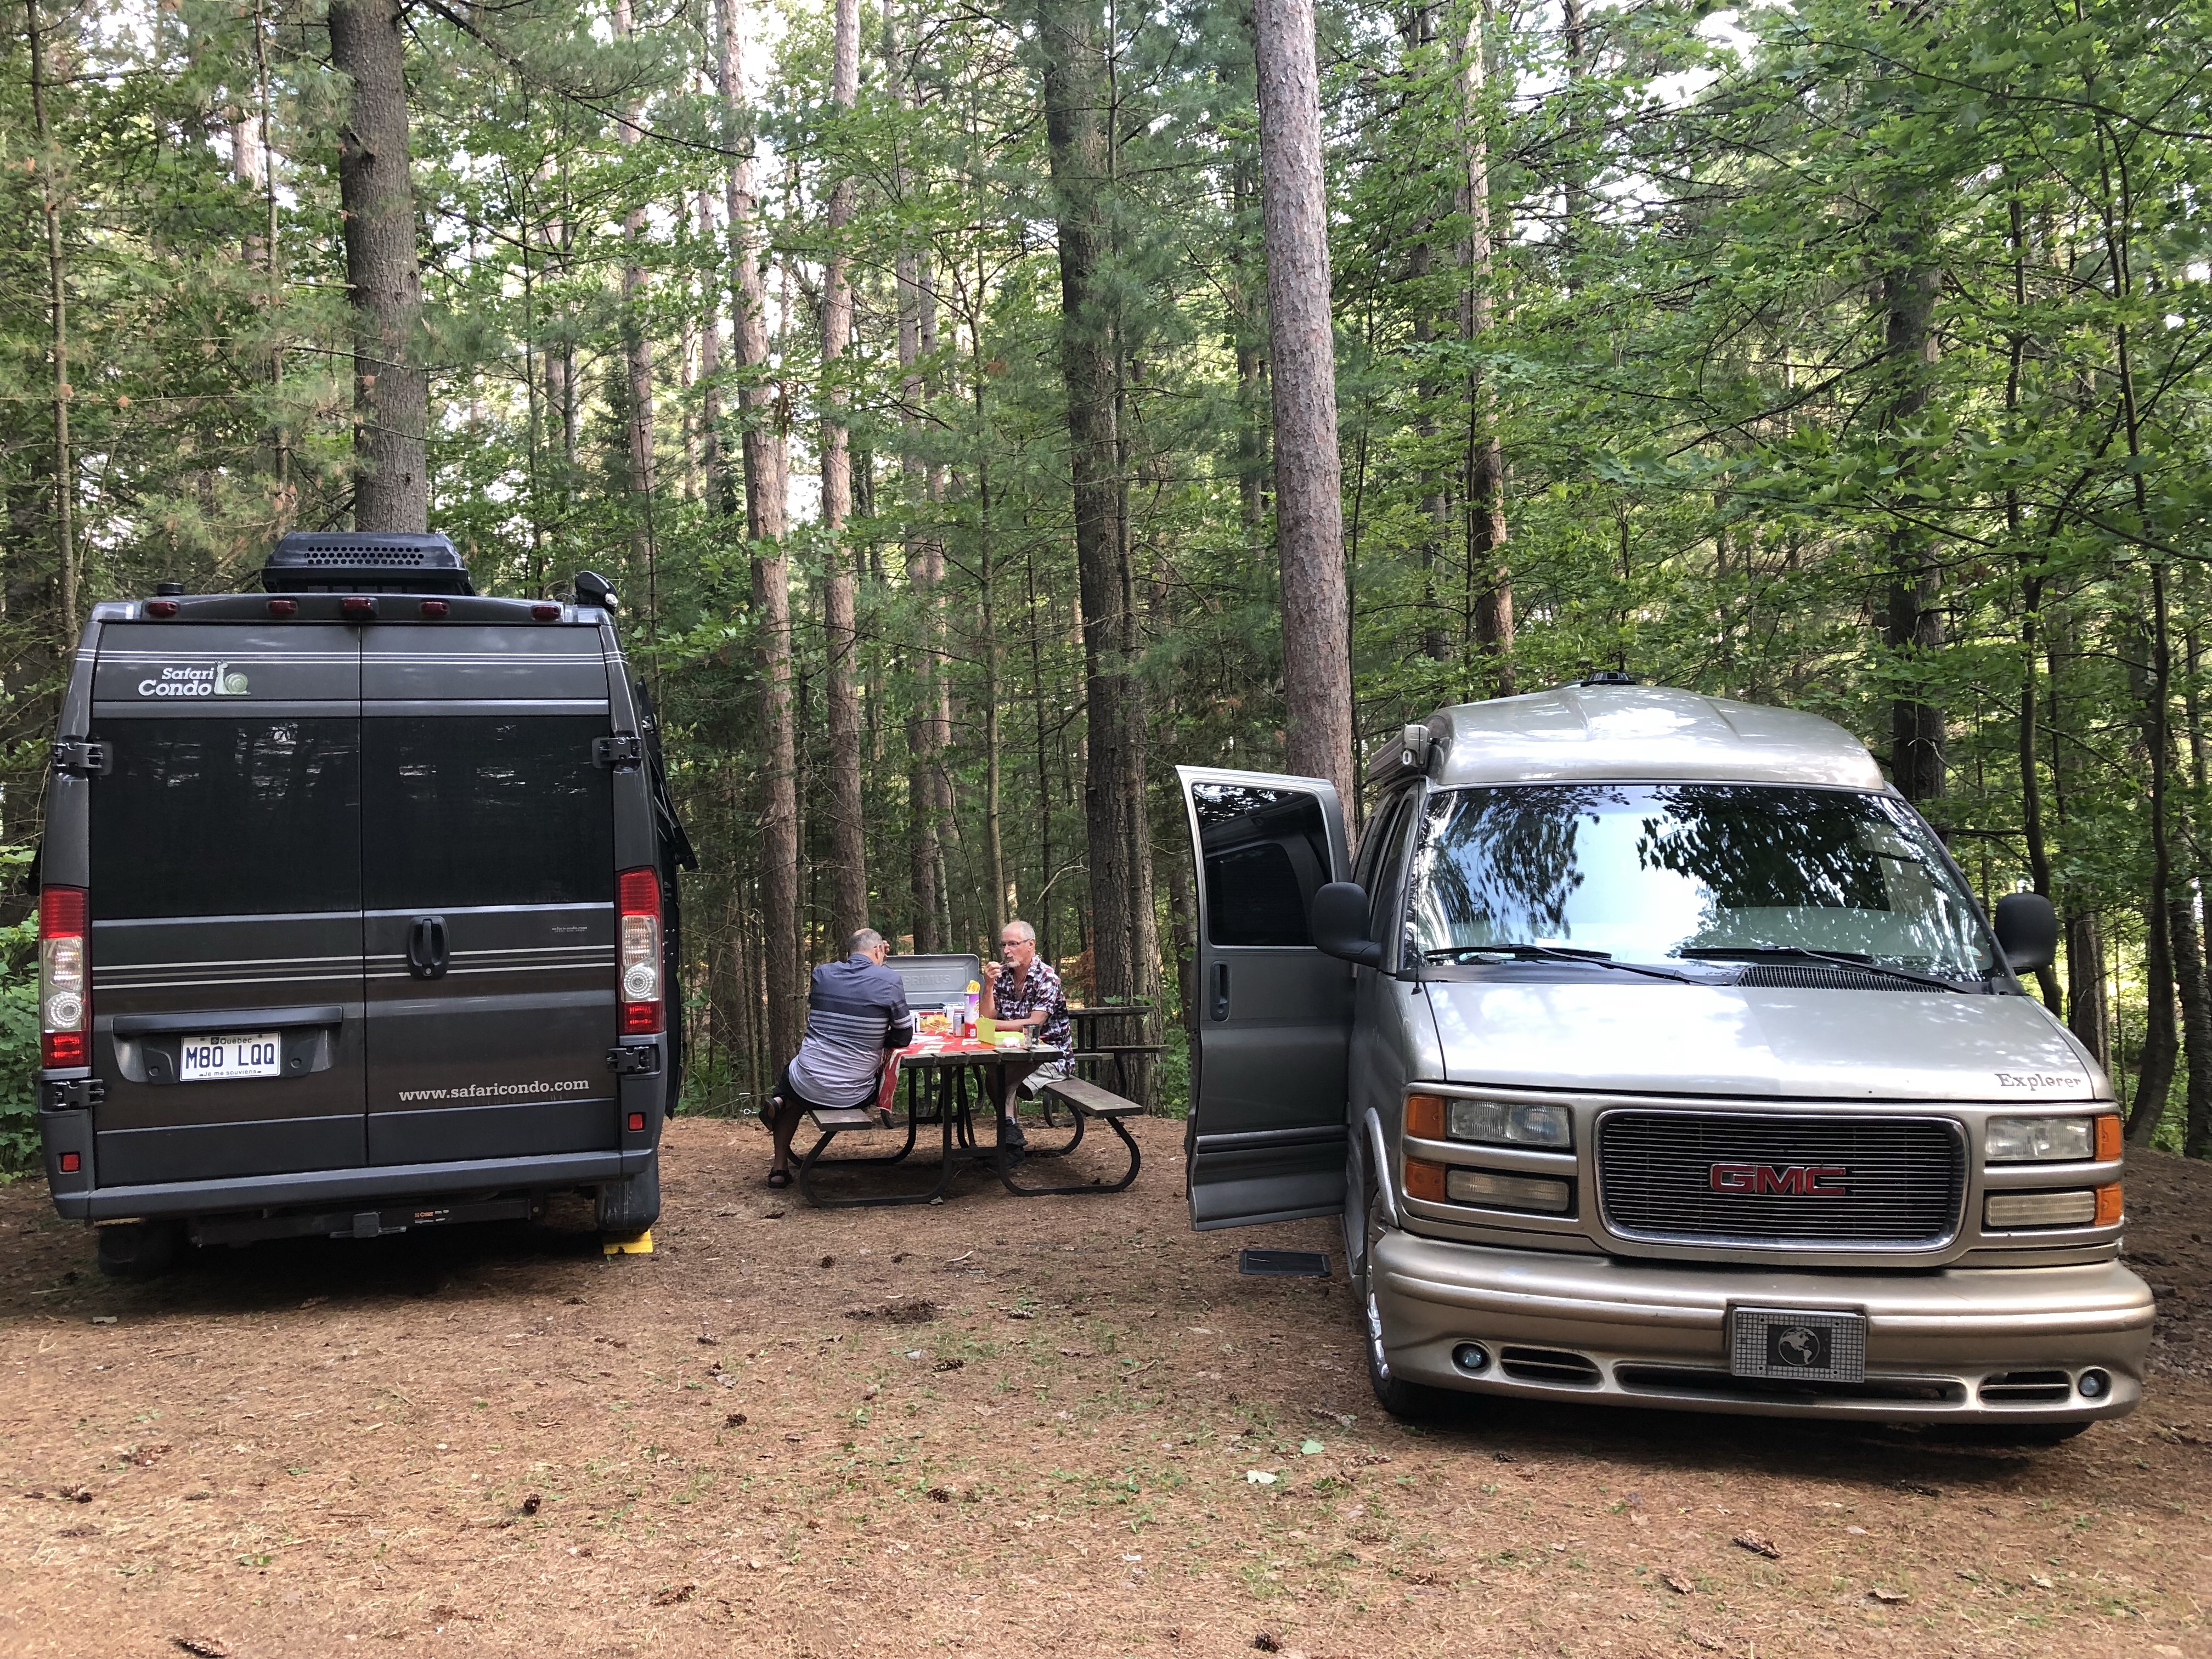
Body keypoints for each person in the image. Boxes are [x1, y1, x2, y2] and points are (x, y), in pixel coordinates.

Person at [766, 928, 914, 1188]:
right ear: (880, 951)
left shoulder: (822, 973)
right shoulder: (889, 980)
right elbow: (904, 1036)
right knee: (801, 1083)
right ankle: (782, 1099)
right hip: (853, 1092)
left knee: (793, 1088)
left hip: (808, 1083)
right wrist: (878, 1040)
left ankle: (779, 1167)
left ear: (849, 952)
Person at [980, 919, 1070, 1152]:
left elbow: (1034, 1023)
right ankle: (1011, 1139)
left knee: (1001, 1078)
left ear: (1031, 945)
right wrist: (988, 985)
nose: (1007, 951)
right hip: (1013, 1051)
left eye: (1013, 944)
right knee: (993, 1071)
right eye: (1003, 945)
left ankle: (1010, 1141)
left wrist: (992, 1026)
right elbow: (987, 1015)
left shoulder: (1047, 978)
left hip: (1049, 1056)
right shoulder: (1004, 976)